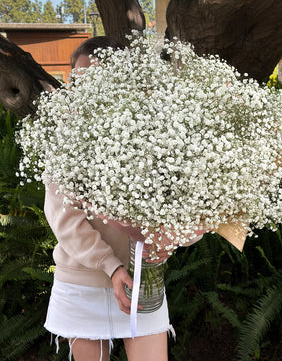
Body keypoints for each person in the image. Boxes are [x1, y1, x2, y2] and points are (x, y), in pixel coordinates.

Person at [43, 36, 203, 361]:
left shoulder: (158, 136)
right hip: (83, 282)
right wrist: (112, 267)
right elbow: (64, 219)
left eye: (96, 78)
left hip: (143, 283)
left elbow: (183, 205)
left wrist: (169, 240)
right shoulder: (64, 139)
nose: (85, 89)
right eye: (78, 80)